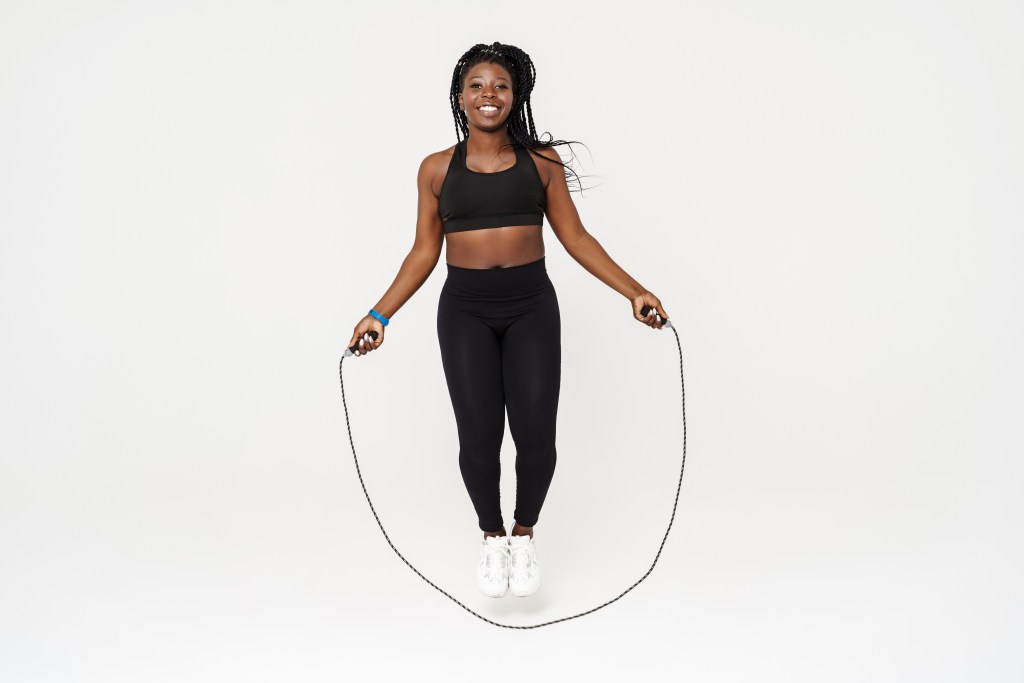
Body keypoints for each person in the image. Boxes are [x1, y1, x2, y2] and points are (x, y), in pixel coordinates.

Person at [346, 42, 669, 598]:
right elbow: (424, 252)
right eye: (476, 85)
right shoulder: (435, 169)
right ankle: (492, 539)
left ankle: (524, 536)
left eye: (500, 85)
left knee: (537, 437)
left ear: (516, 96)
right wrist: (380, 314)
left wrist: (634, 292)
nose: (488, 94)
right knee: (478, 438)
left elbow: (576, 238)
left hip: (530, 307)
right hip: (465, 309)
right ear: (460, 96)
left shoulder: (541, 163)